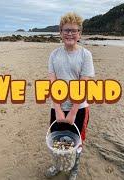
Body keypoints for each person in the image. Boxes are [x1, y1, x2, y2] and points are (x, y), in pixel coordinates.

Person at [45, 12, 95, 180]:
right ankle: (58, 165)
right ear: (60, 32)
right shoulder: (54, 55)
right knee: (57, 139)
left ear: (79, 33)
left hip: (79, 108)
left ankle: (74, 168)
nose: (70, 34)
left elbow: (83, 84)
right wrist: (58, 109)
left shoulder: (85, 55)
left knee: (76, 141)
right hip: (57, 106)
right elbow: (53, 83)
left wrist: (73, 112)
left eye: (74, 30)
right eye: (66, 30)